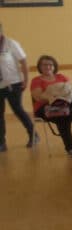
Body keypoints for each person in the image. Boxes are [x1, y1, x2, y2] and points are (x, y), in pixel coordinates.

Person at [30, 55, 72, 156]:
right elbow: (38, 97)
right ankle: (70, 148)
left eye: (50, 64)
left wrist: (64, 97)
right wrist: (55, 97)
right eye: (44, 65)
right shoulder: (36, 80)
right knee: (63, 114)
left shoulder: (62, 77)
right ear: (40, 67)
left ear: (54, 66)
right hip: (45, 107)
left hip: (66, 104)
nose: (48, 67)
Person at [0, 23, 36, 151]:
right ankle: (1, 143)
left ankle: (33, 135)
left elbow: (24, 62)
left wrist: (26, 80)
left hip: (14, 83)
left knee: (18, 110)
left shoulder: (11, 43)